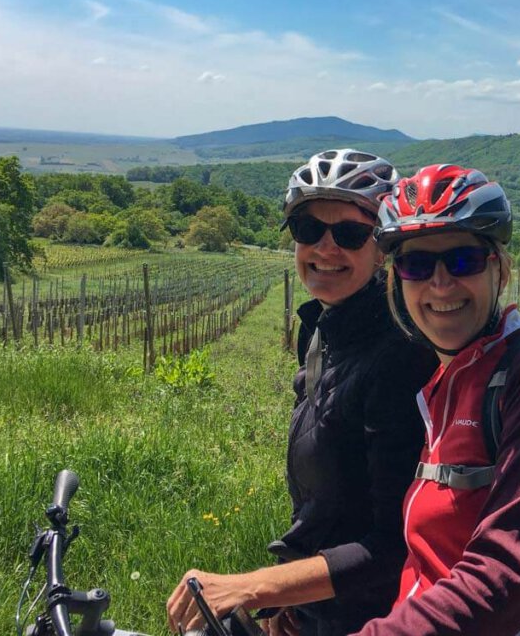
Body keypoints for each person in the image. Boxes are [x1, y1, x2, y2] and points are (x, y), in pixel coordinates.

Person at [167, 149, 438, 636]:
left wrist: (261, 587)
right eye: (308, 230)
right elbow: (329, 502)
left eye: (351, 234)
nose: (325, 248)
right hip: (320, 608)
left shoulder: (399, 358)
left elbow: (395, 544)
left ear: (382, 249)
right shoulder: (321, 333)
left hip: (375, 621)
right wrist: (290, 598)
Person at [354, 164, 520, 636]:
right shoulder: (446, 380)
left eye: (462, 260)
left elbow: (500, 582)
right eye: (416, 265)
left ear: (501, 268)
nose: (440, 283)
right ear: (397, 279)